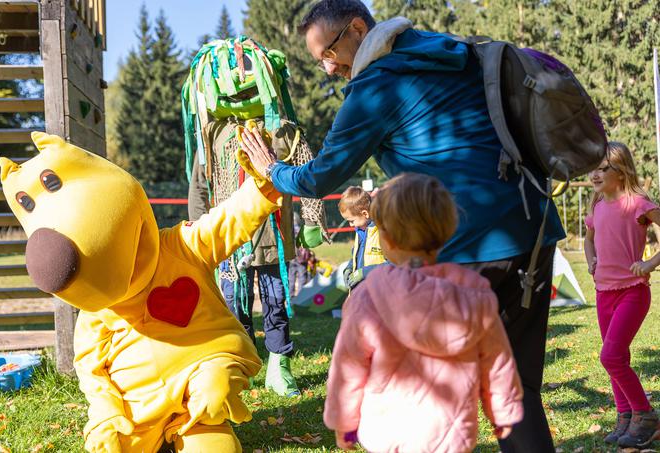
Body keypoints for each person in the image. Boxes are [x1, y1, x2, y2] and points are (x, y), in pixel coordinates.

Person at [239, 1, 565, 450]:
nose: (329, 69)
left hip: (467, 245)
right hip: (533, 228)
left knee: (433, 398)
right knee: (520, 391)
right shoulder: (446, 49)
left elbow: (318, 177)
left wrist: (272, 169)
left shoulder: (375, 87)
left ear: (357, 28)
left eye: (328, 54)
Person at [324, 173, 524, 452]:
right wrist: (503, 411)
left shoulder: (368, 297)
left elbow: (349, 364)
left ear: (387, 238)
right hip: (451, 435)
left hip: (387, 433)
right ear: (445, 232)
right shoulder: (475, 295)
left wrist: (344, 422)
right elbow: (497, 360)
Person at [183, 37, 327, 397]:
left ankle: (280, 364)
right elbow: (200, 186)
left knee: (276, 300)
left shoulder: (283, 131)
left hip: (272, 237)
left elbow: (306, 173)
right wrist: (199, 227)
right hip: (229, 241)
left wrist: (312, 218)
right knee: (233, 303)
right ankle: (243, 365)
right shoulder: (212, 136)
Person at [584, 142, 660, 449]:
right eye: (595, 167)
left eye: (604, 167)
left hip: (633, 292)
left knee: (611, 356)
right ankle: (625, 416)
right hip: (604, 293)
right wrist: (590, 259)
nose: (596, 173)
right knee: (617, 357)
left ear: (622, 170)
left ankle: (646, 415)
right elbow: (590, 240)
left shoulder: (639, 204)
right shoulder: (597, 206)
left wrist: (649, 263)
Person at [338, 186, 386, 289]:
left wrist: (364, 272)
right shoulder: (360, 231)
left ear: (365, 213)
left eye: (351, 220)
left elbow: (393, 265)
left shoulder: (383, 233)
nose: (350, 225)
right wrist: (349, 268)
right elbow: (357, 256)